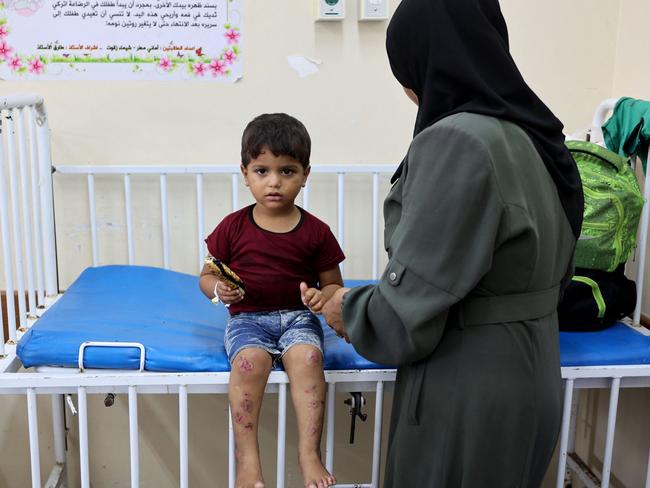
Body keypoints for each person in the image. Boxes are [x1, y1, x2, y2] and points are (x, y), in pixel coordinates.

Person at [320, 0, 584, 486]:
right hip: (534, 371)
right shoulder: (538, 135)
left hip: (470, 386)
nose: (407, 89)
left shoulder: (459, 141)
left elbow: (405, 312)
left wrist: (346, 309)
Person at [199, 113, 344, 488]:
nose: (274, 182)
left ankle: (309, 454)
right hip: (248, 318)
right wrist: (218, 289)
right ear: (245, 172)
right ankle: (248, 461)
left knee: (309, 359)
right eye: (262, 171)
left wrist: (319, 297)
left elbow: (334, 287)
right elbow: (206, 275)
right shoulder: (232, 226)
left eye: (287, 171)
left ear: (306, 174)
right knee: (249, 363)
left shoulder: (316, 231)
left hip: (298, 318)